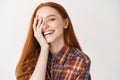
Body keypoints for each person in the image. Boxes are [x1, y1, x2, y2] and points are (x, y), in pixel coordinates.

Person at [15, 2, 91, 80]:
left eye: (51, 19)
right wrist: (44, 48)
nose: (44, 26)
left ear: (65, 23)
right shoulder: (31, 59)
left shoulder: (80, 60)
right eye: (39, 22)